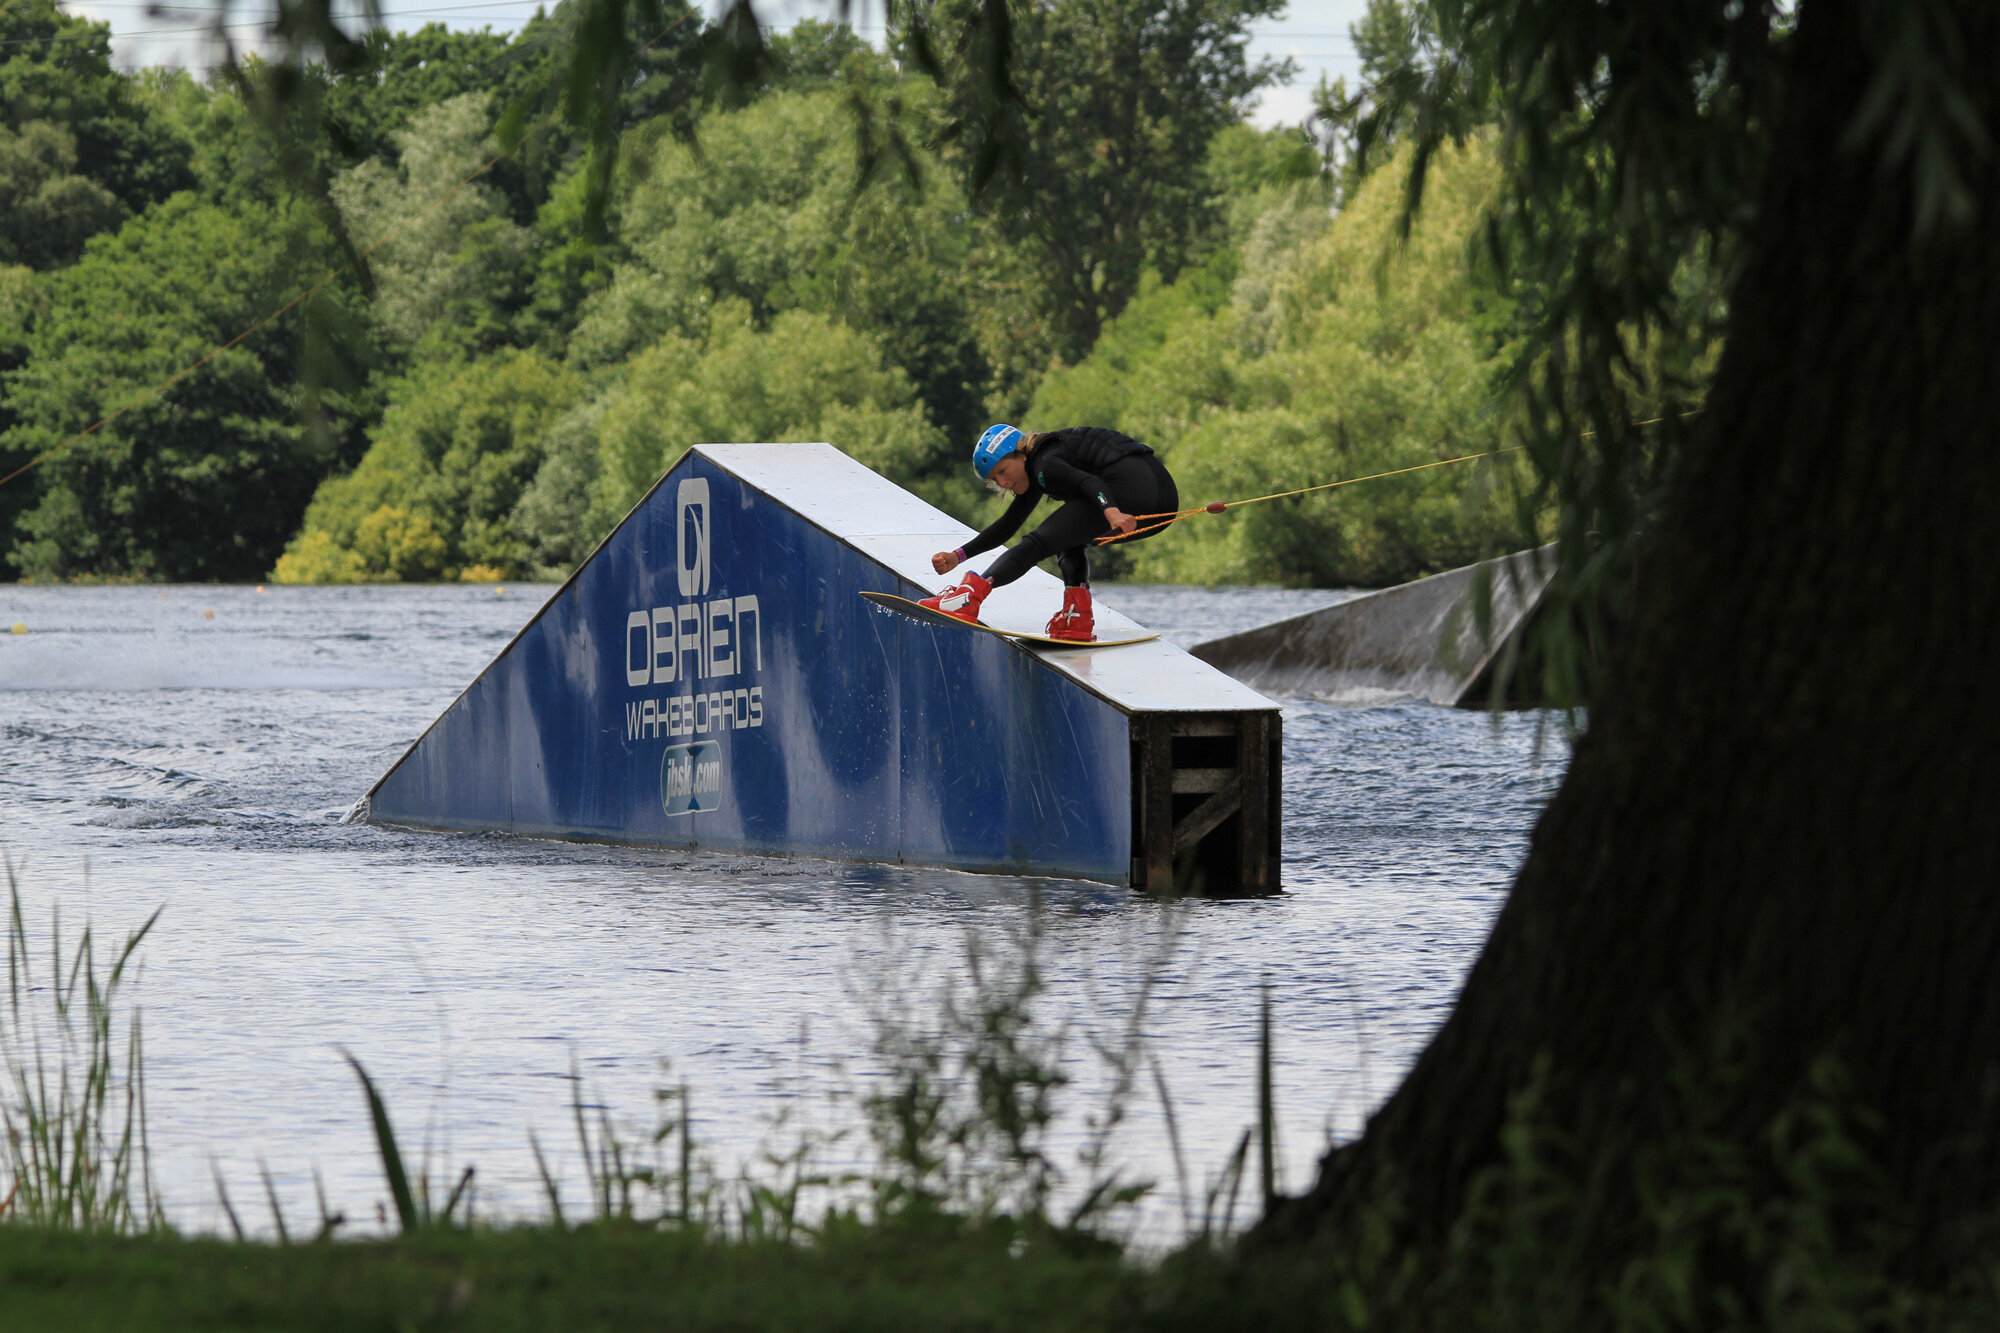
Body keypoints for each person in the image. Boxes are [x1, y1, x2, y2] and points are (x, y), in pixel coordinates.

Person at [920, 423, 1180, 641]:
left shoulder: (1045, 464)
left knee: (1038, 542)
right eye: (994, 480)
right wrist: (959, 555)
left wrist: (1110, 510)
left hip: (1133, 488)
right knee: (1067, 537)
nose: (1002, 483)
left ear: (1020, 454)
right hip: (1161, 497)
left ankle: (968, 598)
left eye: (1002, 471)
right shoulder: (1036, 467)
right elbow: (1007, 526)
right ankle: (1077, 616)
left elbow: (1090, 482)